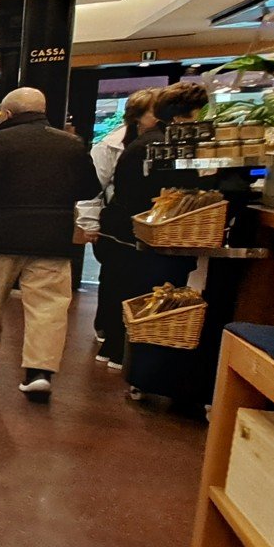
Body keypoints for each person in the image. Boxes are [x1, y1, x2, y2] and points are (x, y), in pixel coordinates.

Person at [0, 87, 101, 399]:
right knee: (49, 305)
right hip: (53, 236)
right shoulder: (70, 144)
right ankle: (39, 372)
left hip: (1, 233)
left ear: (7, 113)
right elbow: (90, 187)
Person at [98, 81, 209, 374]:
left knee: (123, 289)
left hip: (126, 227)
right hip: (150, 233)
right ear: (187, 113)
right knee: (149, 294)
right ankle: (141, 363)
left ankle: (117, 349)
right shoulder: (167, 145)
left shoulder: (142, 142)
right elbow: (183, 191)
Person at [79, 87, 161, 366]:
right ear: (137, 115)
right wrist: (89, 224)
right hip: (118, 223)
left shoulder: (158, 142)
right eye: (154, 113)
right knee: (115, 280)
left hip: (147, 224)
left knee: (131, 281)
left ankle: (122, 338)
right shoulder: (110, 146)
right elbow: (92, 187)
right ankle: (110, 334)